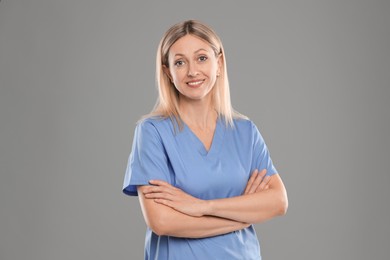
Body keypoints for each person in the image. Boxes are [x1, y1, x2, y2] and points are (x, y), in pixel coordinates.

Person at [122, 19, 288, 260]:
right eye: (180, 62)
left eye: (201, 58)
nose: (192, 71)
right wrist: (243, 214)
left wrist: (201, 207)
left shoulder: (245, 131)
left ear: (219, 63)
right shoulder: (152, 132)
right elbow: (162, 221)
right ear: (168, 72)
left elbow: (278, 201)